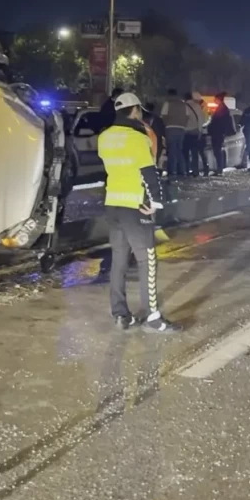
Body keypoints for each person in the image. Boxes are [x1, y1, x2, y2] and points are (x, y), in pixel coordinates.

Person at [97, 92, 181, 333]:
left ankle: (121, 314)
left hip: (112, 204)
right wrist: (156, 202)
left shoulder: (104, 138)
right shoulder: (138, 137)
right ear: (134, 111)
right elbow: (148, 172)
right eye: (139, 111)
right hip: (136, 206)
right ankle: (153, 316)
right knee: (147, 260)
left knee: (119, 261)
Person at [160, 88, 193, 177]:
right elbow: (187, 117)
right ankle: (183, 170)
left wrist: (166, 125)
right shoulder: (183, 105)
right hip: (181, 129)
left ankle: (173, 171)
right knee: (179, 150)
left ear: (169, 95)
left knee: (171, 150)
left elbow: (163, 116)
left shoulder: (168, 103)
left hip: (170, 128)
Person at [207, 93, 236, 176]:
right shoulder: (222, 109)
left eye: (215, 99)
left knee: (217, 151)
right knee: (217, 151)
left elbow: (220, 122)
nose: (214, 101)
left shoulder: (222, 109)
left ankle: (219, 169)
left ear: (219, 100)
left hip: (218, 133)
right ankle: (219, 169)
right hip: (218, 132)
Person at [182, 92, 205, 177]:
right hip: (195, 132)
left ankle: (187, 170)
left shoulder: (183, 107)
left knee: (185, 153)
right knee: (195, 153)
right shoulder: (197, 107)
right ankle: (195, 171)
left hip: (185, 133)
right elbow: (202, 120)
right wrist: (200, 131)